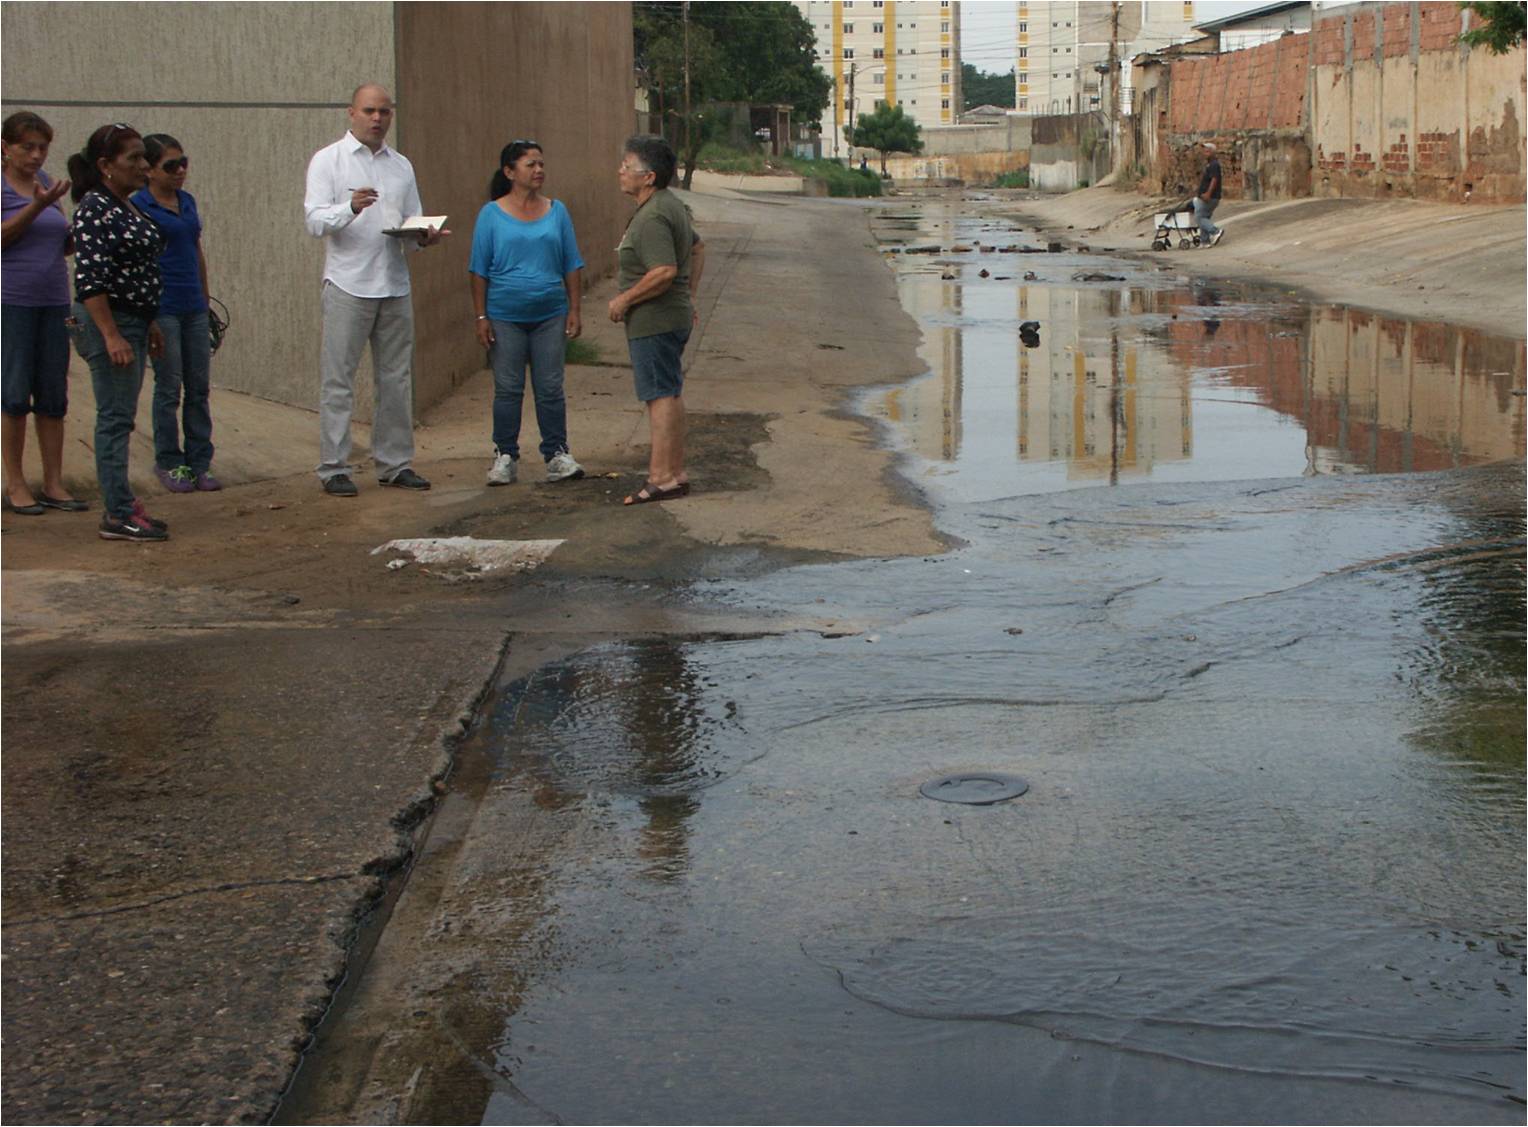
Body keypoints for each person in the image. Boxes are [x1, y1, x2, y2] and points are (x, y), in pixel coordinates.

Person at [303, 83, 448, 497]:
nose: (377, 119)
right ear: (351, 113)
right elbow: (314, 222)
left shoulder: (401, 165)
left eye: (385, 111)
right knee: (339, 380)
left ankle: (395, 463)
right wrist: (349, 208)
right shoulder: (328, 161)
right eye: (369, 111)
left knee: (396, 378)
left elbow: (410, 221)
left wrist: (423, 236)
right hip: (348, 283)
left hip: (393, 282)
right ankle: (334, 467)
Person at [68, 123, 169, 541]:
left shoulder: (127, 206)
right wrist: (112, 335)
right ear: (106, 166)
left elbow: (139, 270)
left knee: (121, 416)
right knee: (114, 418)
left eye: (144, 157)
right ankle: (116, 513)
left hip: (133, 321)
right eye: (133, 158)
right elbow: (90, 280)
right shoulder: (95, 208)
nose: (143, 166)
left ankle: (123, 502)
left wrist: (150, 323)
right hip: (111, 322)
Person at [469, 139, 586, 486]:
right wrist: (481, 317)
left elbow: (571, 262)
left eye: (541, 164)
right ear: (509, 172)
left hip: (550, 312)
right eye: (530, 165)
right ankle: (505, 455)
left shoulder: (557, 211)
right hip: (505, 315)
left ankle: (557, 454)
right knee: (508, 388)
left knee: (550, 386)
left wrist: (574, 308)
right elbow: (478, 270)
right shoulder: (490, 215)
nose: (539, 170)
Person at [609, 134, 706, 506]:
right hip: (670, 315)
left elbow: (663, 270)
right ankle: (674, 472)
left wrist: (624, 299)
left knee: (659, 396)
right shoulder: (670, 206)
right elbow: (697, 248)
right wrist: (690, 294)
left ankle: (661, 477)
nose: (621, 172)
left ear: (648, 177)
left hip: (656, 320)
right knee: (669, 391)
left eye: (627, 166)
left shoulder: (653, 216)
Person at [2, 111, 87, 516]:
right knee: (15, 393)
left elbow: (59, 243)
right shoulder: (7, 188)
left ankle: (54, 482)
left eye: (42, 148)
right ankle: (16, 484)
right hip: (13, 301)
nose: (36, 155)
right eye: (27, 147)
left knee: (53, 393)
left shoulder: (47, 183)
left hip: (55, 300)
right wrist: (36, 208)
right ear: (5, 148)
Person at [133, 133, 220, 494]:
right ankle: (169, 461)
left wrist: (204, 296)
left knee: (198, 387)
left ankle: (200, 461)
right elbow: (138, 260)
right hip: (163, 306)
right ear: (149, 170)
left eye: (183, 163)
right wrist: (146, 313)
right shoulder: (139, 205)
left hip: (193, 306)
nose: (180, 171)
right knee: (169, 387)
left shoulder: (186, 202)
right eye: (171, 166)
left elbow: (195, 249)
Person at [1194, 141, 1223, 248]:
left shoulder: (1214, 165)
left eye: (1207, 151)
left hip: (1210, 197)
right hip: (1205, 196)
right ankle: (1204, 241)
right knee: (1203, 216)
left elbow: (1214, 180)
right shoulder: (1210, 164)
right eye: (1204, 151)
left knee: (1199, 218)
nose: (1205, 153)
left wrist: (1208, 193)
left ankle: (1215, 231)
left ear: (1212, 152)